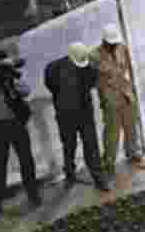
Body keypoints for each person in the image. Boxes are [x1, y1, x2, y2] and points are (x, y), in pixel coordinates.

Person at [0, 49, 41, 212]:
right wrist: (3, 67)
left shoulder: (10, 78)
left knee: (26, 159)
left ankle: (33, 193)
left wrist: (11, 80)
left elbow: (26, 90)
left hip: (16, 123)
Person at [44, 42, 105, 189]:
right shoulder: (53, 68)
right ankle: (70, 175)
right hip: (65, 115)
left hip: (84, 114)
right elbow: (50, 85)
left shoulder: (90, 68)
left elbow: (94, 83)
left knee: (91, 146)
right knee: (69, 146)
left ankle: (98, 178)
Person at [89, 24, 145, 178]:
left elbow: (127, 67)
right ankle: (109, 162)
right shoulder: (94, 55)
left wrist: (129, 88)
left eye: (114, 43)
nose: (113, 45)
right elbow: (92, 80)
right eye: (110, 43)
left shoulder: (122, 48)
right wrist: (106, 85)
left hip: (125, 92)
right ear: (104, 41)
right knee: (112, 131)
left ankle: (132, 152)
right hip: (110, 96)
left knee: (131, 125)